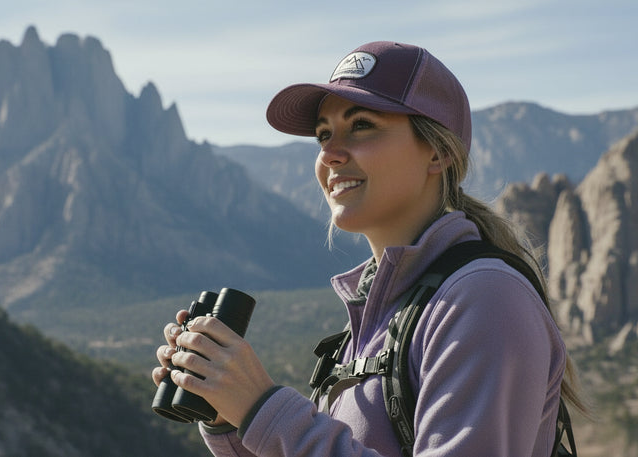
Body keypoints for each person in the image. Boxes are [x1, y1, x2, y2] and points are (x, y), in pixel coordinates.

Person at [152, 41, 584, 457]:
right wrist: (228, 414)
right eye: (323, 135)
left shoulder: (484, 300)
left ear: (437, 152)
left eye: (361, 126)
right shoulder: (383, 312)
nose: (331, 154)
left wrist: (262, 408)